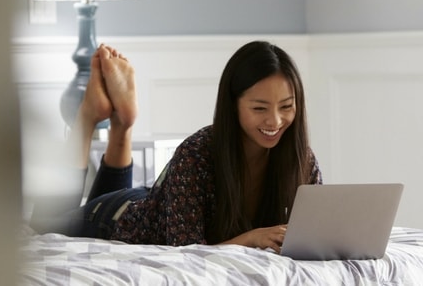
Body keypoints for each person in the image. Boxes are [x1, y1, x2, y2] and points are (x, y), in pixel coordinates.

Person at [30, 41, 322, 253]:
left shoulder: (301, 159)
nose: (275, 120)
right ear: (232, 106)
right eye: (259, 108)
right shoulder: (197, 152)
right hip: (119, 219)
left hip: (156, 199)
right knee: (41, 226)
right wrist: (251, 238)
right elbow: (183, 250)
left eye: (287, 106)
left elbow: (319, 233)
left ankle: (121, 125)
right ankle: (86, 119)